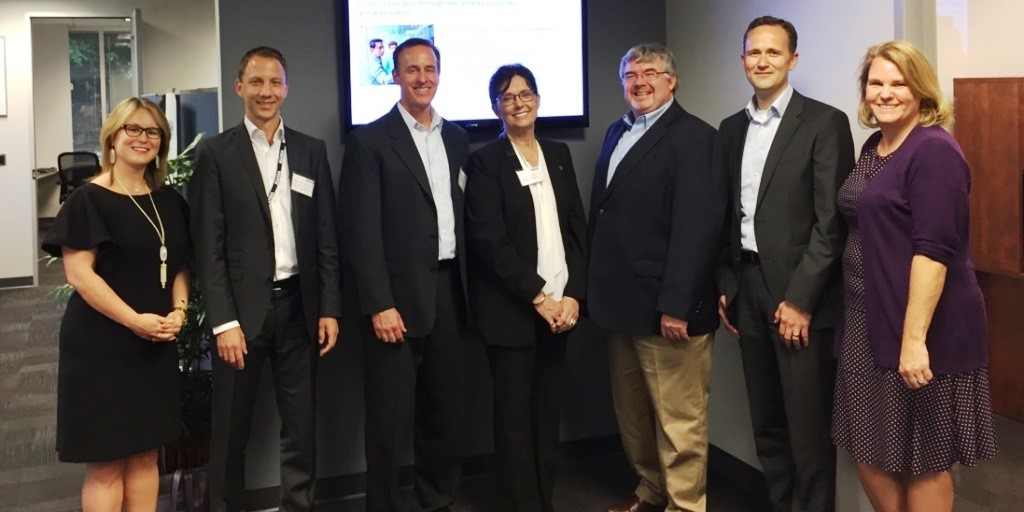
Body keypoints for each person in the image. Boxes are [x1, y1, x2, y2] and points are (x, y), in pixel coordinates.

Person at [831, 40, 998, 512]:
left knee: (924, 454)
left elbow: (933, 251)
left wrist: (913, 339)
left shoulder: (934, 151)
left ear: (921, 90)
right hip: (866, 319)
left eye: (898, 83)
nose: (885, 93)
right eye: (876, 82)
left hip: (921, 327)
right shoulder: (875, 146)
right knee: (870, 442)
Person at [190, 46, 341, 512]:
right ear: (239, 88)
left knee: (301, 427)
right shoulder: (216, 153)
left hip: (301, 307)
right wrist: (222, 321)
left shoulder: (310, 151)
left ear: (286, 89)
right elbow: (206, 248)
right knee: (233, 429)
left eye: (275, 82)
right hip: (241, 314)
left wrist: (330, 306)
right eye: (256, 82)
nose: (266, 92)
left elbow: (327, 238)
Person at [716, 16, 854, 512]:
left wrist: (800, 299)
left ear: (793, 59)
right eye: (754, 52)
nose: (762, 61)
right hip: (747, 290)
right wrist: (728, 283)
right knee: (768, 425)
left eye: (774, 52)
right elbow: (727, 215)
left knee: (808, 432)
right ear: (742, 60)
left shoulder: (823, 122)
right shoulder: (730, 129)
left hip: (799, 299)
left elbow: (830, 224)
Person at [588, 43, 726, 512]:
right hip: (622, 307)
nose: (639, 81)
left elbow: (698, 229)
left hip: (669, 311)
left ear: (672, 80)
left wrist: (677, 304)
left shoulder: (696, 138)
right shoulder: (615, 131)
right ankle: (651, 492)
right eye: (630, 74)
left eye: (651, 72)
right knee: (634, 418)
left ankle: (685, 505)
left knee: (679, 422)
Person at [338, 37, 470, 512]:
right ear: (395, 76)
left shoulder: (456, 138)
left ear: (439, 73)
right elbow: (360, 232)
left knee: (444, 413)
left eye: (429, 68)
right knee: (390, 421)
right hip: (395, 299)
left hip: (450, 293)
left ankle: (437, 500)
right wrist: (379, 303)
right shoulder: (369, 141)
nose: (421, 78)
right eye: (411, 69)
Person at [42, 97, 190, 511]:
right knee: (106, 463)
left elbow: (178, 264)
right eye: (133, 129)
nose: (143, 139)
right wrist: (134, 321)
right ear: (113, 137)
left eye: (153, 132)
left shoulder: (170, 200)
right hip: (101, 344)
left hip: (154, 343)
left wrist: (179, 310)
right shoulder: (89, 199)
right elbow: (80, 275)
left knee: (146, 455)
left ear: (162, 143)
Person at [465, 64, 588, 512]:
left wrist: (573, 295)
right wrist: (539, 297)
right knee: (514, 422)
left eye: (525, 94)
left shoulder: (558, 153)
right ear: (495, 106)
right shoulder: (485, 161)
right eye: (507, 96)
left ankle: (545, 500)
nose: (518, 103)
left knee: (546, 415)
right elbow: (488, 240)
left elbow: (576, 227)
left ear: (538, 99)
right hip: (513, 311)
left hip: (562, 310)